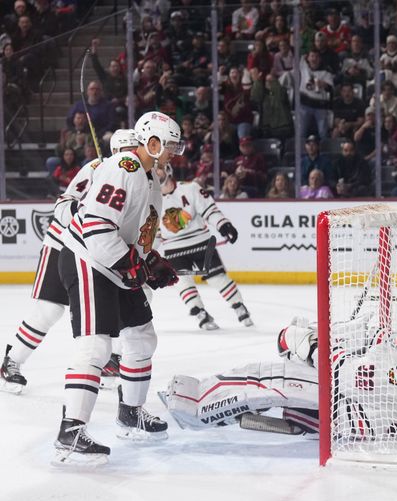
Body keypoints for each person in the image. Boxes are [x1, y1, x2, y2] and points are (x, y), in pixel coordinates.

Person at [54, 112, 183, 465]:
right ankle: (70, 432)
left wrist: (149, 260)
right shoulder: (122, 168)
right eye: (169, 145)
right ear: (152, 143)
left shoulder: (151, 180)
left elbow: (137, 237)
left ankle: (130, 413)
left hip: (114, 264)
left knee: (142, 337)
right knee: (96, 345)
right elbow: (96, 226)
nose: (174, 151)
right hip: (89, 260)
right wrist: (132, 264)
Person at [1, 130, 139, 395]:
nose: (132, 158)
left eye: (136, 150)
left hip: (99, 250)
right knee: (50, 310)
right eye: (128, 151)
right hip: (63, 242)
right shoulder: (97, 168)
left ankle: (110, 359)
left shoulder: (142, 179)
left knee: (115, 302)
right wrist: (84, 211)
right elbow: (63, 205)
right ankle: (12, 361)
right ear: (117, 152)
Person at [162, 317, 397, 438]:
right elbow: (373, 344)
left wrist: (315, 347)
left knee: (270, 381)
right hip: (350, 406)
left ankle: (198, 412)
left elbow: (347, 375)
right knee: (268, 378)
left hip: (341, 412)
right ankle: (203, 397)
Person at [159, 164, 252, 331]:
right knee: (182, 281)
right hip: (173, 247)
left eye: (158, 168)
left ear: (167, 170)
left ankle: (238, 305)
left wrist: (224, 225)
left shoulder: (191, 188)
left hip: (200, 242)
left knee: (217, 278)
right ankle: (199, 312)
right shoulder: (149, 198)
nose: (155, 172)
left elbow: (210, 210)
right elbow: (153, 231)